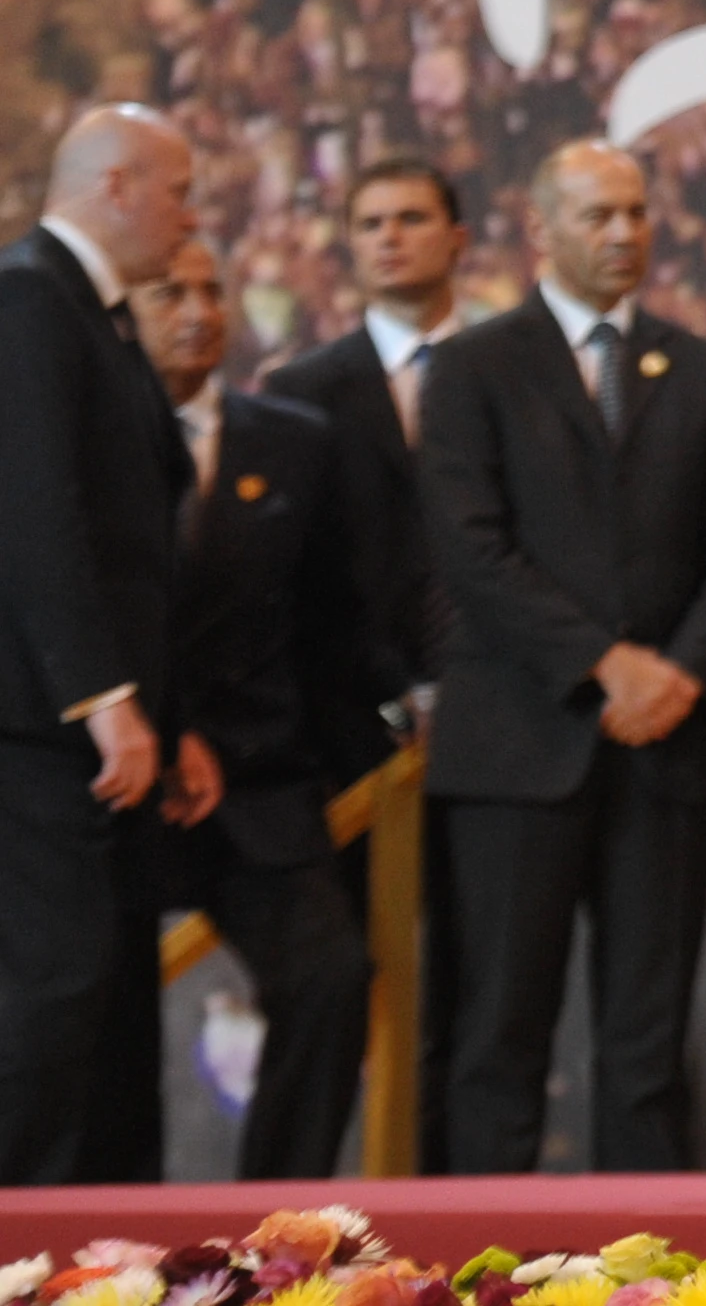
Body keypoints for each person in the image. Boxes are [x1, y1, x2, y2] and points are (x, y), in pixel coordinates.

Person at [422, 138, 706, 1173]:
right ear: (541, 228)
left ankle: (644, 1264)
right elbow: (469, 546)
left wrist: (682, 672)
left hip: (667, 746)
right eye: (597, 216)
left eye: (636, 213)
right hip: (518, 747)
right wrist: (603, 663)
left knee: (647, 1043)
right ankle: (474, 1277)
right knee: (499, 1033)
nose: (624, 234)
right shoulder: (474, 365)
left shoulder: (698, 368)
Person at [147, 233, 397, 1178]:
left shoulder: (293, 441)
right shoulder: (75, 445)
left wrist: (398, 718)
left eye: (211, 289)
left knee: (331, 983)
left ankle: (275, 1230)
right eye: (172, 290)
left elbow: (337, 623)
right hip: (122, 788)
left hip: (263, 791)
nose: (199, 310)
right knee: (81, 1014)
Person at [0, 105, 195, 1184]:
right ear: (117, 185)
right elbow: (35, 514)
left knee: (98, 1001)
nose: (189, 214)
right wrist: (100, 696)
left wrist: (167, 718)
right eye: (178, 190)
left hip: (99, 731)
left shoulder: (97, 313)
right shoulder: (31, 296)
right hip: (40, 729)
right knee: (52, 990)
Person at [267, 154, 467, 700]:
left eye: (411, 219)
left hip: (505, 696)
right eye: (370, 225)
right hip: (354, 700)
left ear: (458, 238)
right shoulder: (300, 392)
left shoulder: (520, 376)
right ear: (351, 246)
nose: (390, 238)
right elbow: (301, 572)